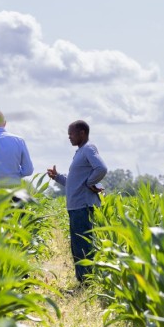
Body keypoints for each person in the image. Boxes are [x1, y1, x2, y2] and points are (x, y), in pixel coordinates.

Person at [47, 120, 108, 285]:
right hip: (76, 206)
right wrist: (57, 177)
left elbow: (101, 168)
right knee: (77, 245)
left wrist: (89, 183)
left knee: (83, 245)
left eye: (71, 133)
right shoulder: (80, 152)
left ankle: (88, 282)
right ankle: (83, 281)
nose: (69, 137)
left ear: (82, 133)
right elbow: (74, 182)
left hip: (83, 205)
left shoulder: (88, 148)